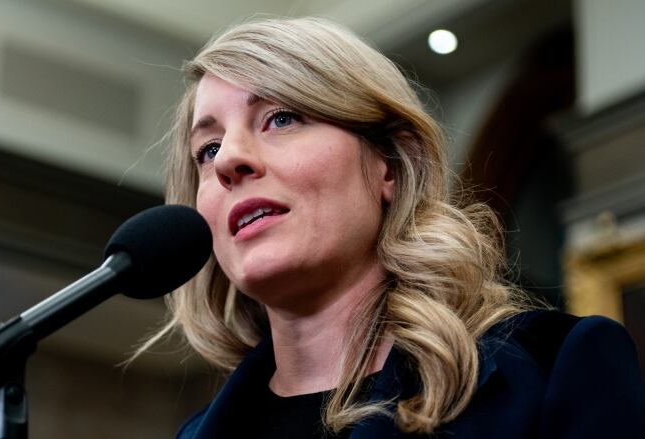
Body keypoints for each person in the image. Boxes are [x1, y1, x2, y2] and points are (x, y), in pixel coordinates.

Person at [133, 17, 645, 438]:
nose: (229, 162)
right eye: (209, 149)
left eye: (282, 117)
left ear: (391, 166)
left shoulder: (554, 368)